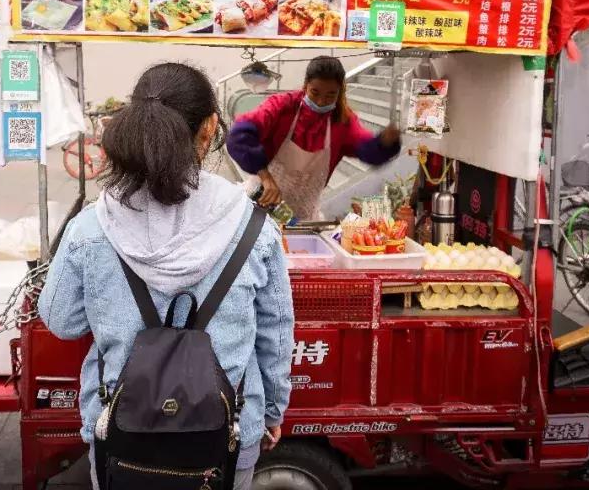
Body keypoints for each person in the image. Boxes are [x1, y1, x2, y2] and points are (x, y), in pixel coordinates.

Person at [38, 62, 295, 490]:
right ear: (210, 128)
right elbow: (275, 333)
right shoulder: (254, 228)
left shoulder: (90, 228)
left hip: (120, 429)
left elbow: (61, 321)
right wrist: (271, 411)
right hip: (227, 431)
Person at [227, 55, 402, 220]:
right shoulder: (282, 106)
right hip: (259, 204)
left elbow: (367, 150)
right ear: (305, 86)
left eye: (330, 95)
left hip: (301, 219)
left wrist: (384, 143)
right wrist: (265, 176)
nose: (320, 101)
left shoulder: (342, 122)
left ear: (340, 92)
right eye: (315, 92)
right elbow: (239, 135)